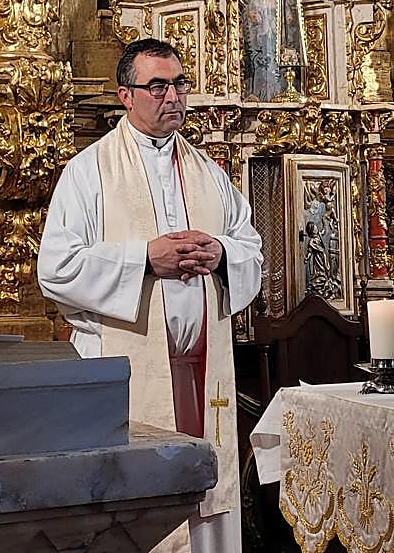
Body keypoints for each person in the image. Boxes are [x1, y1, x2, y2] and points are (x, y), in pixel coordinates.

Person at [38, 38, 263, 553]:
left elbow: (251, 249)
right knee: (137, 506)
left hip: (205, 371)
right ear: (125, 95)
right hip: (129, 372)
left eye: (180, 84)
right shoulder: (88, 172)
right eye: (157, 86)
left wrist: (222, 254)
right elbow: (56, 269)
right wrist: (144, 260)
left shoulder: (210, 172)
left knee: (210, 501)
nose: (173, 96)